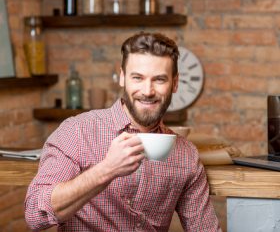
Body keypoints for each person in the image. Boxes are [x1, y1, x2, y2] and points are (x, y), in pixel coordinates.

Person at [25, 32, 221, 231]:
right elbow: (35, 214)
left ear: (175, 83)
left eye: (159, 80)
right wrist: (107, 169)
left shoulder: (186, 155)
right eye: (137, 78)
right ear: (122, 77)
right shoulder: (78, 131)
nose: (147, 91)